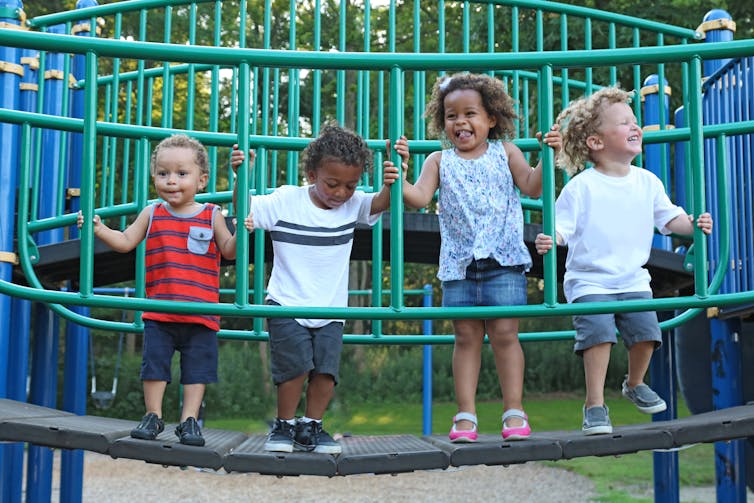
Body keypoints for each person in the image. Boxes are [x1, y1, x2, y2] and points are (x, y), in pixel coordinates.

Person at [534, 86, 713, 435]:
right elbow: (562, 227)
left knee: (647, 332)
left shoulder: (647, 182)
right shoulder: (581, 186)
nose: (636, 127)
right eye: (623, 123)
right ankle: (595, 404)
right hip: (589, 280)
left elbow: (669, 219)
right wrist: (550, 238)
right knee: (599, 333)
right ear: (596, 142)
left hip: (632, 278)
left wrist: (692, 225)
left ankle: (634, 382)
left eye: (635, 121)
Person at [396, 72, 561, 442]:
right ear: (443, 123)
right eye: (452, 116)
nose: (461, 122)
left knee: (505, 334)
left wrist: (548, 156)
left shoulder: (507, 152)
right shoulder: (439, 160)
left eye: (470, 113)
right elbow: (419, 198)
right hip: (459, 264)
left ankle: (513, 410)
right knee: (465, 337)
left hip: (503, 260)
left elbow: (533, 185)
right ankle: (466, 413)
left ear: (491, 119)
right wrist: (401, 178)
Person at [231, 123, 401, 454]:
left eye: (350, 185)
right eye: (332, 184)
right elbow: (245, 208)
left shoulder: (353, 205)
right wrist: (242, 174)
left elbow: (381, 203)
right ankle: (284, 425)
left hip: (331, 307)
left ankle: (312, 426)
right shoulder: (286, 200)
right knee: (294, 368)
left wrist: (393, 180)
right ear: (311, 174)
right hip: (287, 302)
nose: (340, 193)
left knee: (325, 372)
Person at [78, 134, 238, 446]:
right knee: (154, 367)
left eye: (182, 173)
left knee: (198, 371)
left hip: (201, 312)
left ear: (201, 180)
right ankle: (153, 415)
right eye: (163, 174)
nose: (171, 181)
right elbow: (125, 241)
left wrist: (245, 231)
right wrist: (99, 229)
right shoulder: (152, 213)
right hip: (160, 310)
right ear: (154, 178)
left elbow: (229, 251)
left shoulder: (212, 215)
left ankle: (189, 420)